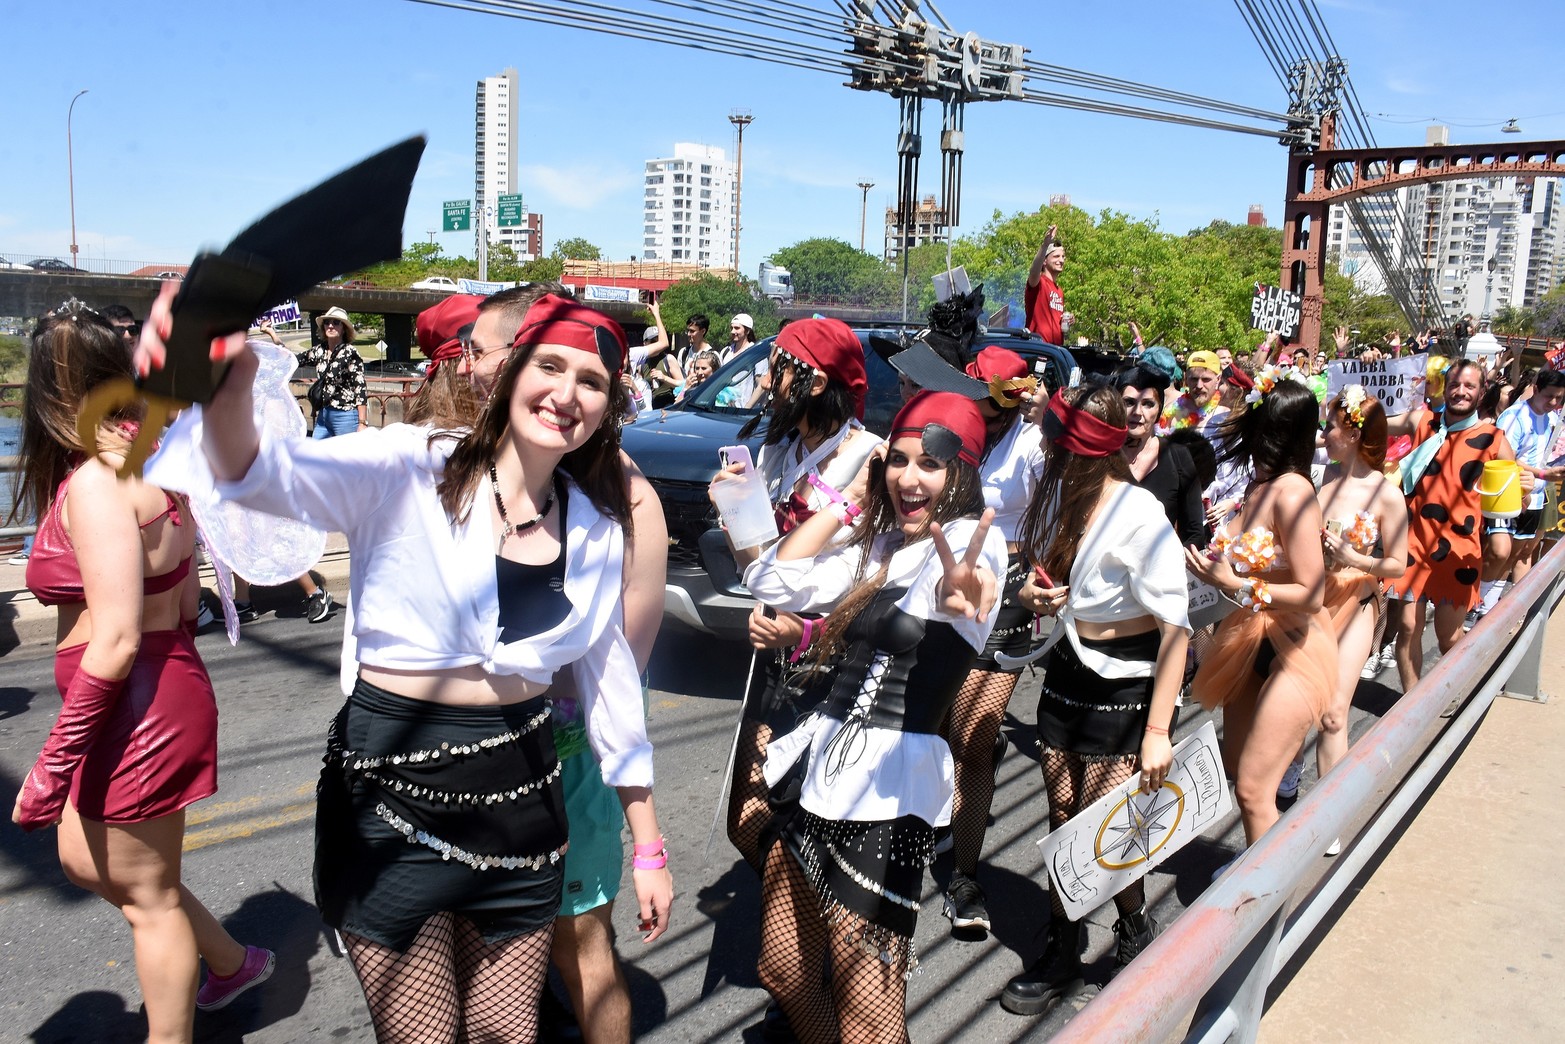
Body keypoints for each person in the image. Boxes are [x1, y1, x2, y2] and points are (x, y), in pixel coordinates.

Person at [138, 285, 674, 1041]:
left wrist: (646, 843)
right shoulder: (409, 466)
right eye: (548, 366)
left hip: (524, 806)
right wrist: (225, 379)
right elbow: (261, 475)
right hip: (390, 797)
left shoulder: (594, 524)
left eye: (590, 381)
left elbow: (610, 682)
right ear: (506, 373)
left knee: (505, 1034)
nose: (566, 393)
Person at [11, 302, 273, 1042]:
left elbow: (119, 637)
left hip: (134, 707)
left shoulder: (101, 480)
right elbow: (185, 600)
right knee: (88, 863)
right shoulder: (152, 461)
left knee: (146, 898)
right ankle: (228, 959)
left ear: (50, 387)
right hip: (145, 697)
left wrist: (51, 765)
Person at [422, 286, 668, 1044]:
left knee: (579, 948)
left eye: (487, 348)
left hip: (560, 759)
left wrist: (647, 837)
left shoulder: (617, 497)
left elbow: (619, 662)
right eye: (484, 351)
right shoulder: (440, 469)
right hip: (441, 769)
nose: (475, 365)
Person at [743, 390, 1005, 1044]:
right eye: (898, 461)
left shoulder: (975, 548)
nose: (908, 478)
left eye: (930, 465)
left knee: (870, 1018)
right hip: (814, 784)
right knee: (783, 972)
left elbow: (965, 596)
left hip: (882, 807)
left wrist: (961, 595)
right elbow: (771, 580)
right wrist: (850, 503)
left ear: (964, 475)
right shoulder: (882, 545)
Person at [998, 386, 1190, 1016]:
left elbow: (1177, 630)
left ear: (1084, 451)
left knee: (1102, 821)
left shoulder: (1139, 513)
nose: (1047, 454)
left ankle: (1124, 928)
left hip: (1129, 680)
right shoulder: (1057, 496)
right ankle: (1067, 943)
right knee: (1062, 813)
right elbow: (1041, 578)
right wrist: (1034, 597)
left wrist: (1158, 729)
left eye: (1058, 445)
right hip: (1066, 668)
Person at [710, 318, 881, 879]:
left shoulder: (871, 459)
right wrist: (735, 510)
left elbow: (869, 578)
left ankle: (809, 940)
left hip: (837, 658)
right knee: (747, 819)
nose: (766, 380)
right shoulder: (778, 450)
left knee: (811, 821)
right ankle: (802, 926)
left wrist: (803, 628)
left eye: (778, 368)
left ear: (811, 383)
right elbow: (756, 566)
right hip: (773, 649)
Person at [1186, 370, 1335, 850]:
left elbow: (1312, 592)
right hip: (1247, 640)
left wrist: (1240, 583)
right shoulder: (1257, 489)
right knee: (1239, 772)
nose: (1261, 439)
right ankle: (1257, 871)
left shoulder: (1293, 492)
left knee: (1253, 788)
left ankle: (1267, 906)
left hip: (1296, 646)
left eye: (1272, 430)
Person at [939, 346, 1046, 936]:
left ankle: (964, 873)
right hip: (942, 580)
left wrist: (1045, 418)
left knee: (977, 737)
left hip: (1006, 591)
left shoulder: (1029, 441)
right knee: (941, 723)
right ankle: (935, 817)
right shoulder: (954, 428)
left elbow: (1058, 491)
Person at [1385, 359, 1520, 689]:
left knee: (1448, 637)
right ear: (1445, 387)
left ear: (1481, 392)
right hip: (1413, 543)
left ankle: (1460, 689)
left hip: (1460, 552)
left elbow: (1515, 499)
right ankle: (1411, 707)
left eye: (1469, 386)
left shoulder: (1494, 440)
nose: (1461, 391)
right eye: (1455, 384)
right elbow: (1374, 422)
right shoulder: (1423, 421)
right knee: (1407, 627)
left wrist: (1524, 488)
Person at [1308, 387, 1407, 788]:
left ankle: (1328, 808)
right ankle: (1292, 778)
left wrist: (1355, 557)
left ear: (1352, 435)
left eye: (1329, 427)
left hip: (1357, 602)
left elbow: (1397, 564)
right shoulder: (1323, 477)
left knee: (1333, 714)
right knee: (1304, 703)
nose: (1323, 434)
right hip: (1314, 598)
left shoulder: (1387, 495)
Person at [1481, 369, 1565, 620]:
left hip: (1536, 495)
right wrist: (1541, 474)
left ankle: (1488, 608)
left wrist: (1545, 475)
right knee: (1498, 552)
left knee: (1516, 554)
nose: (1554, 403)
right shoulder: (1514, 416)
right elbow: (1504, 457)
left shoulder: (1552, 420)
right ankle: (1475, 605)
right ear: (1536, 389)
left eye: (1560, 399)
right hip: (1507, 495)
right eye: (1550, 396)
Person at [1115, 364, 1207, 547]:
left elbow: (1193, 533)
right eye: (1129, 402)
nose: (1137, 412)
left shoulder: (1177, 457)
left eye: (1148, 404)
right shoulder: (1101, 454)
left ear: (1159, 411)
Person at [298, 305, 368, 439]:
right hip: (324, 415)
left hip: (345, 416)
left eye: (336, 323)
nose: (330, 326)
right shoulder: (320, 350)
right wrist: (272, 334)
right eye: (327, 322)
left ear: (343, 329)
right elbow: (295, 360)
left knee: (346, 458)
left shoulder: (350, 352)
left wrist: (362, 422)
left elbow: (360, 387)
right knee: (316, 454)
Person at [1024, 224, 1067, 346]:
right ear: (1044, 261)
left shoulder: (1059, 291)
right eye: (1056, 256)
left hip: (1054, 352)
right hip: (1038, 349)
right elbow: (1033, 271)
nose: (1061, 260)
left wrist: (1067, 320)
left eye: (1063, 257)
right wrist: (1045, 245)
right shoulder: (1038, 283)